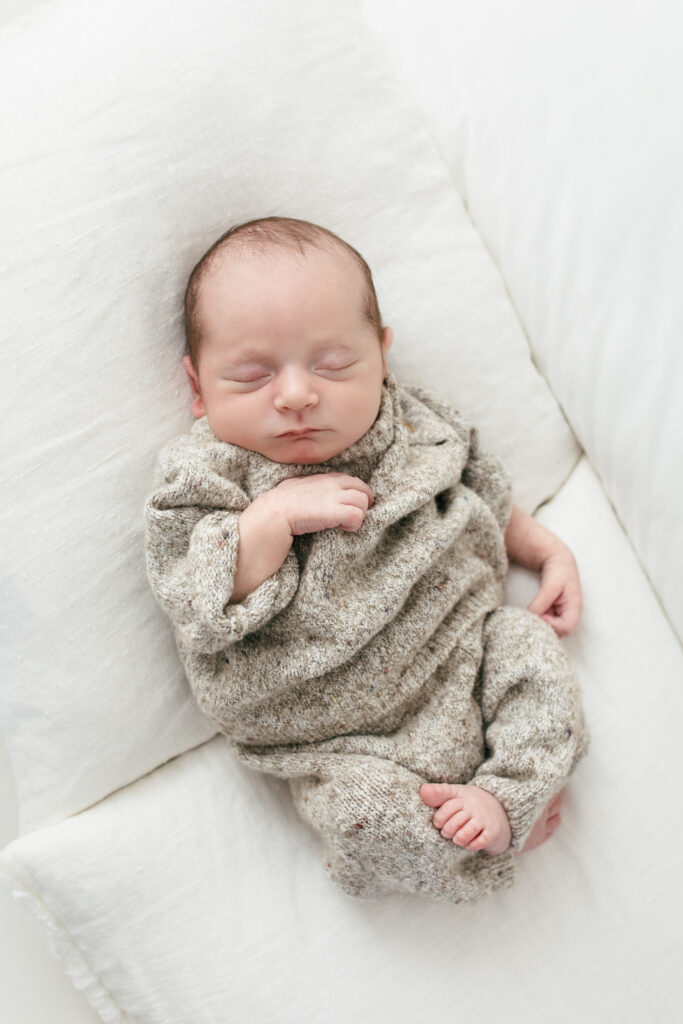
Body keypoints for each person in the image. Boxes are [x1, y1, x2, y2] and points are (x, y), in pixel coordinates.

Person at [144, 216, 588, 903]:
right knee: (358, 819)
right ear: (198, 386)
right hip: (336, 738)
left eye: (331, 364)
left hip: (458, 661)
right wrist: (272, 519)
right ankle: (475, 853)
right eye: (252, 375)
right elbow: (193, 591)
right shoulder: (205, 473)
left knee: (528, 651)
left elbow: (480, 494)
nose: (295, 394)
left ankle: (509, 794)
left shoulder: (413, 425)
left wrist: (547, 551)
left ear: (381, 355)